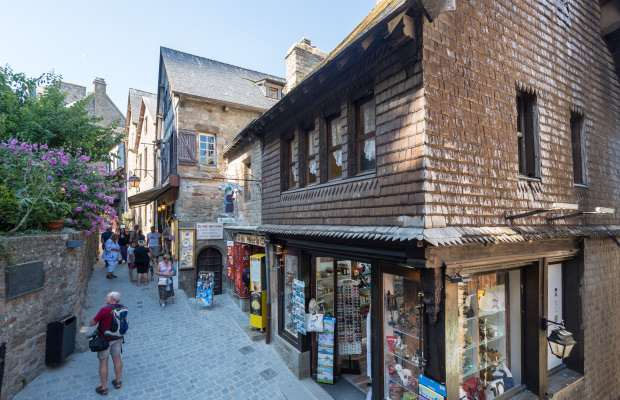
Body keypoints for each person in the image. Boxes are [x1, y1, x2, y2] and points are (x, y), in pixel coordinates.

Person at [90, 291, 124, 395]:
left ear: (112, 300)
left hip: (104, 340)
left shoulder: (104, 310)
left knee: (103, 363)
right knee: (117, 358)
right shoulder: (122, 308)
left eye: (107, 297)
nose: (105, 298)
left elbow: (93, 322)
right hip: (117, 338)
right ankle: (118, 381)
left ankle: (104, 388)